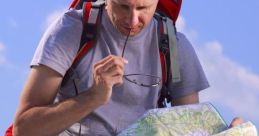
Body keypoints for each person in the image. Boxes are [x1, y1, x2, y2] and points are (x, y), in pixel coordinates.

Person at [12, 0, 241, 135]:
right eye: (123, 6)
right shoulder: (71, 30)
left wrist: (228, 133)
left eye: (143, 7)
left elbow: (190, 129)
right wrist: (93, 97)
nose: (133, 21)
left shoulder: (174, 47)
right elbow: (24, 129)